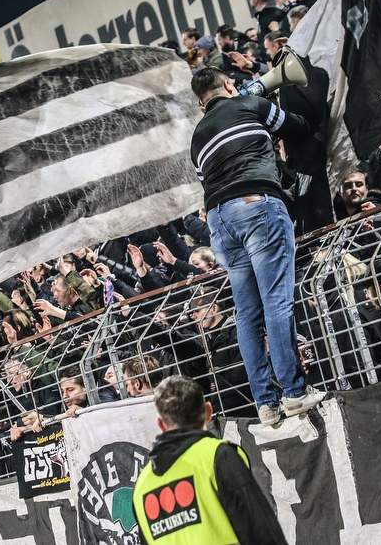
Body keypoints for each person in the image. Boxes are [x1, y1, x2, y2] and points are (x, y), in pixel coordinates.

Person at [189, 67, 324, 426]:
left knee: (247, 314)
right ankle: (295, 393)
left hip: (219, 220)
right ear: (228, 85)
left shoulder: (197, 137)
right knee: (276, 302)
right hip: (257, 204)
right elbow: (299, 128)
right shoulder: (250, 105)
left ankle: (266, 403)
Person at [132, 376, 287, 545]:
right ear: (208, 411)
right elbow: (260, 529)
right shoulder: (219, 456)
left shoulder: (142, 484)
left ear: (161, 425)